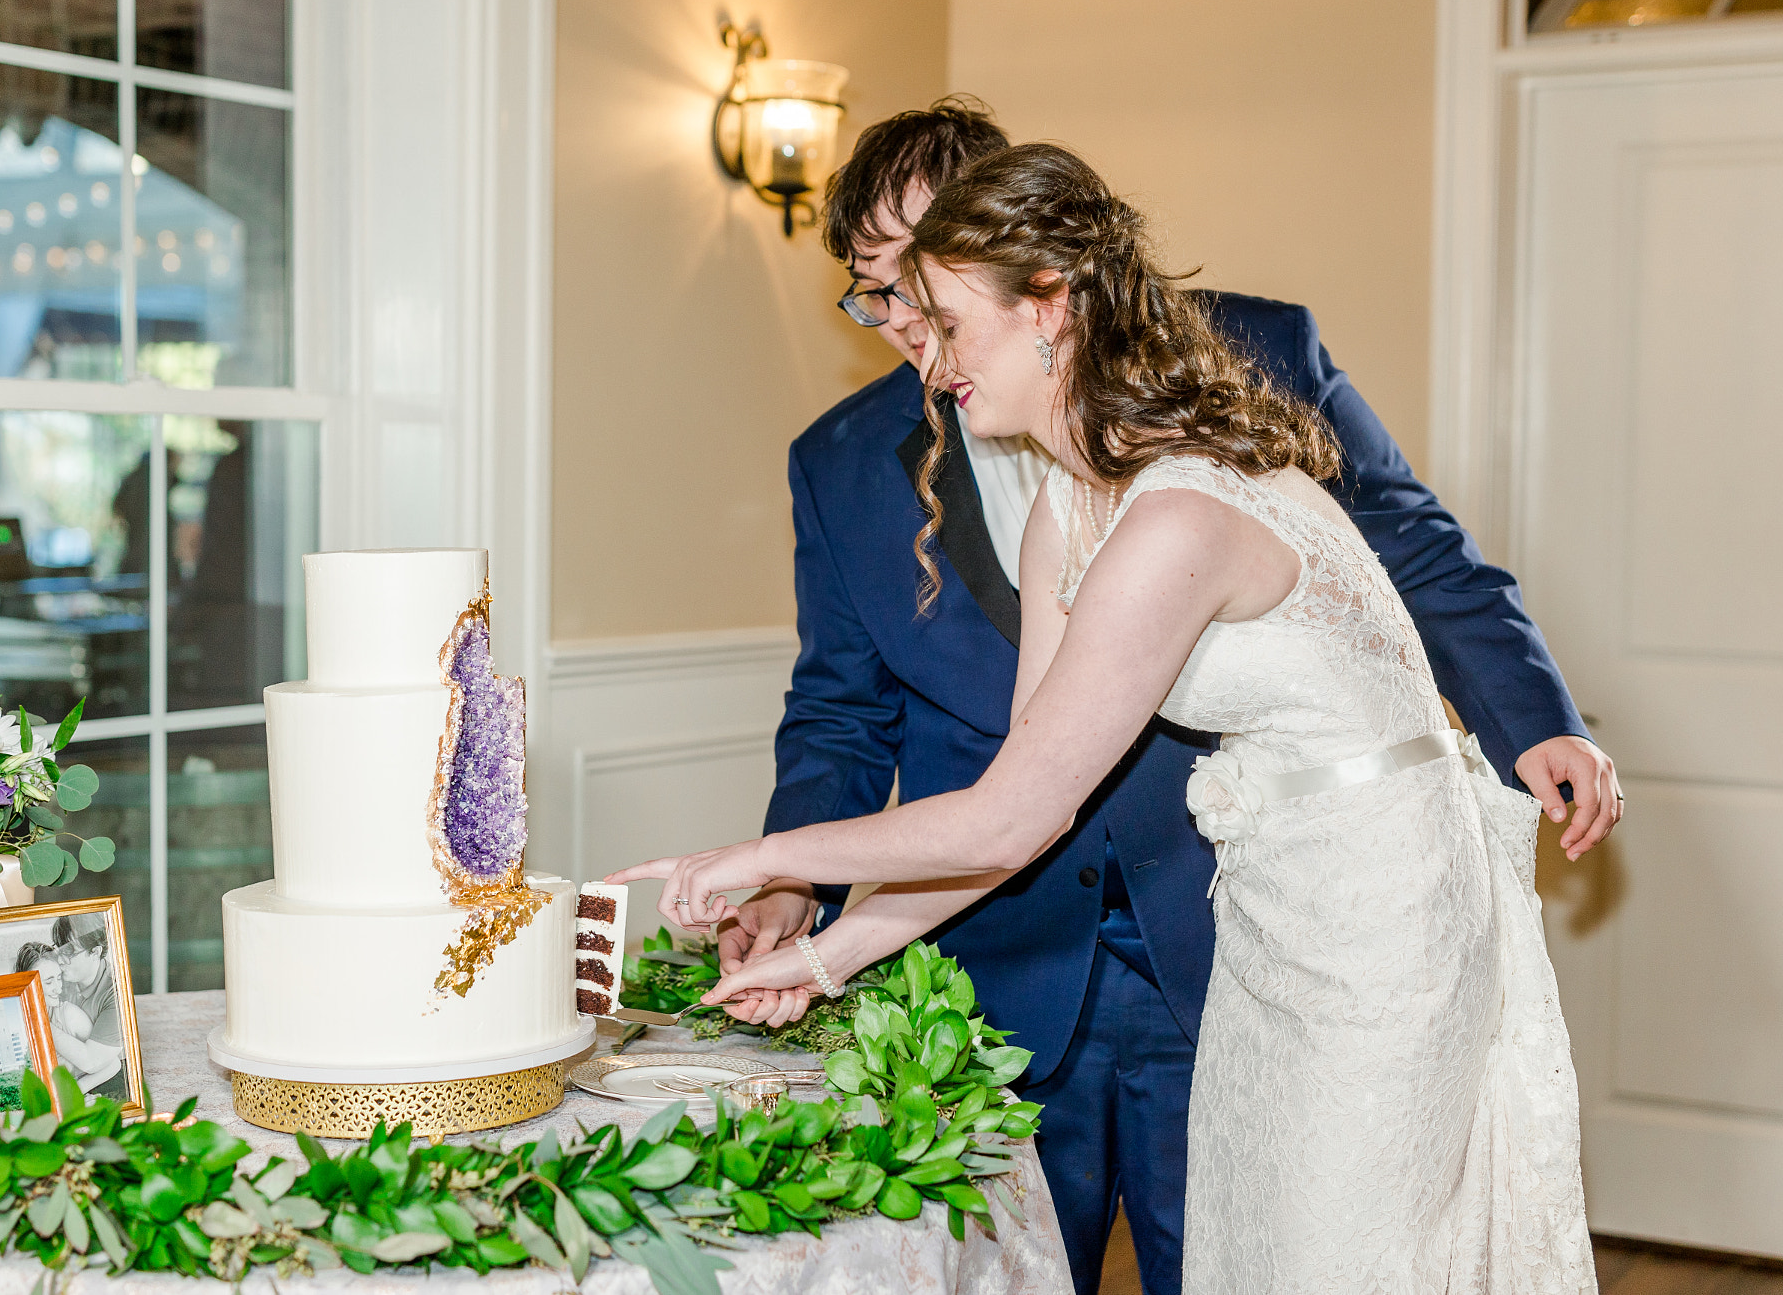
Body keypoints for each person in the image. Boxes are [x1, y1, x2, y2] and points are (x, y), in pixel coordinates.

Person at [612, 142, 1616, 1292]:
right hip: (1266, 921)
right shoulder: (1067, 510)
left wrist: (755, 856)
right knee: (1257, 1244)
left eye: (941, 319)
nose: (923, 361)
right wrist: (828, 956)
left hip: (1375, 929)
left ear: (1044, 302)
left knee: (1336, 1251)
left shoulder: (1177, 515)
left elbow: (1001, 818)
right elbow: (1020, 812)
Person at [16, 940, 123, 1095]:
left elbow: (112, 1064)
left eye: (59, 978)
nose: (58, 988)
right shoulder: (15, 1021)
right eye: (49, 981)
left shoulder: (68, 1015)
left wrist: (75, 1093)